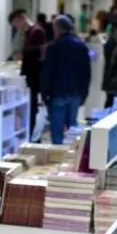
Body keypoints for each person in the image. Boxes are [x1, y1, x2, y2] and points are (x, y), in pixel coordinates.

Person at [41, 15, 91, 145]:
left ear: (57, 28)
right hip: (75, 93)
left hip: (57, 93)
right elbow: (86, 73)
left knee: (57, 131)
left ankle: (57, 157)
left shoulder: (53, 47)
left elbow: (47, 72)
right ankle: (72, 157)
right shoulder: (81, 46)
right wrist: (84, 94)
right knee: (72, 130)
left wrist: (44, 94)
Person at [9, 9, 46, 138]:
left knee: (32, 108)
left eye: (16, 23)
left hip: (33, 78)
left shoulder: (36, 32)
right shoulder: (27, 33)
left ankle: (31, 137)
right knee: (29, 108)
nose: (16, 27)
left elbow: (39, 54)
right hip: (29, 77)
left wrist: (23, 56)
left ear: (21, 18)